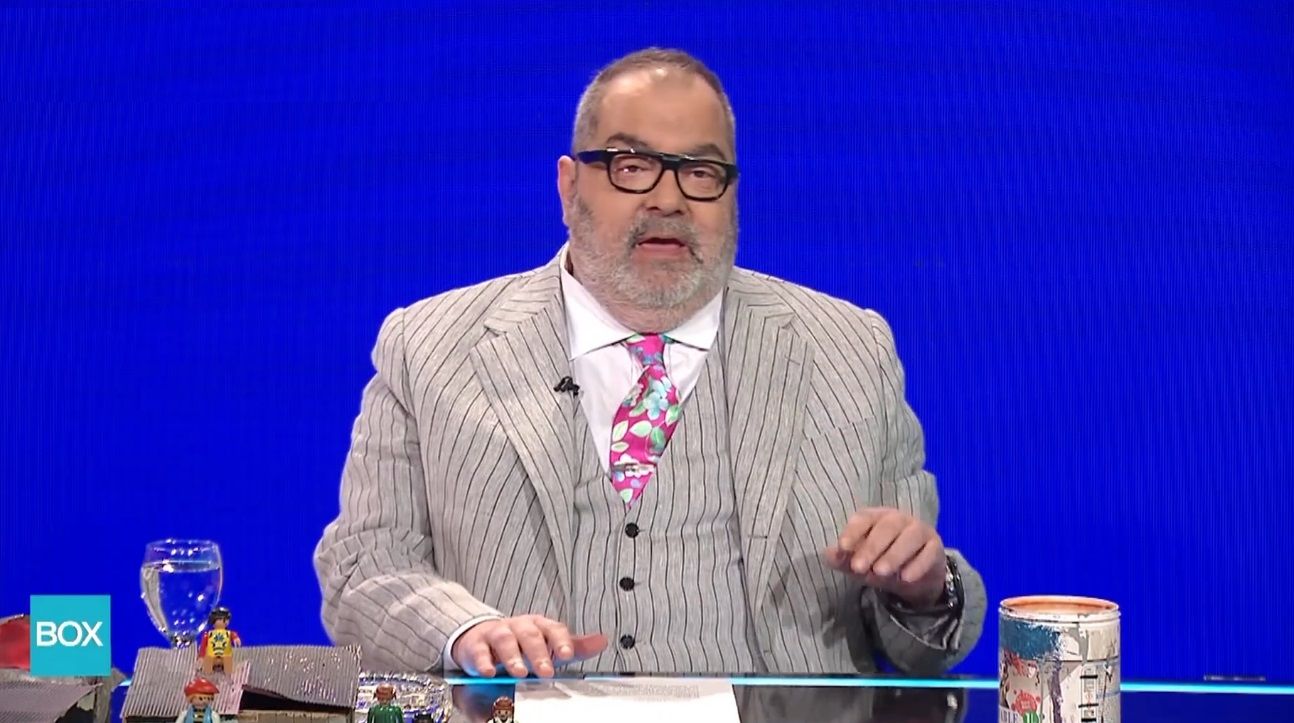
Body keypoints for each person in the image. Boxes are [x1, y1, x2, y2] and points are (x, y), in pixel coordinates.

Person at [314, 47, 986, 677]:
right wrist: (465, 631)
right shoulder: (429, 346)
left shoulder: (849, 350)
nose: (668, 200)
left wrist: (927, 588)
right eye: (631, 166)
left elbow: (920, 642)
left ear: (732, 195)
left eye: (700, 173)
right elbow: (364, 570)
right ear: (569, 186)